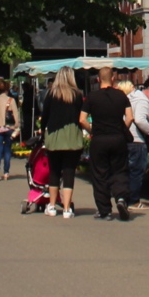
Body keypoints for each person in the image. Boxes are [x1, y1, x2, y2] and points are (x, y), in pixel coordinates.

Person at [85, 67, 134, 222]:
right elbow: (130, 117)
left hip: (99, 138)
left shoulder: (92, 97)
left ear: (98, 79)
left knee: (100, 174)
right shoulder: (121, 96)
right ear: (113, 78)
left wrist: (92, 130)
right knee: (119, 170)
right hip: (117, 138)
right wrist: (121, 128)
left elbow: (81, 119)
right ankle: (120, 198)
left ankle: (104, 209)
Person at [40, 67, 88, 218]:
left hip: (55, 135)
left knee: (54, 171)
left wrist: (42, 131)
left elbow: (45, 116)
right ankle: (67, 208)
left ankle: (52, 206)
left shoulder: (51, 94)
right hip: (72, 135)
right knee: (69, 171)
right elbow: (82, 115)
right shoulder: (77, 95)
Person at [125, 79, 149, 208]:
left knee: (127, 171)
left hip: (126, 138)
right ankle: (134, 201)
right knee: (136, 171)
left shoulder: (131, 96)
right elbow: (139, 120)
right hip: (137, 140)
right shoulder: (143, 101)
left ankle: (124, 199)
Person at [0, 80, 20, 181]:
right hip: (8, 128)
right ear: (7, 89)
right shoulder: (11, 100)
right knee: (7, 151)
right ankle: (6, 172)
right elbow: (16, 115)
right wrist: (17, 126)